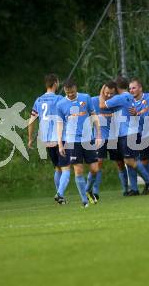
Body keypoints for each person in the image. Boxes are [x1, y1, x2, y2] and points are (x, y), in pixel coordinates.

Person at [99, 76, 149, 196]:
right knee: (132, 161)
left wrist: (102, 90)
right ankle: (134, 189)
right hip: (132, 131)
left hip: (127, 133)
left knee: (129, 160)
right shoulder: (129, 96)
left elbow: (102, 105)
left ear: (117, 88)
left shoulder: (120, 97)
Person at [56, 79, 101, 207]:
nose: (70, 94)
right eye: (67, 92)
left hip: (88, 139)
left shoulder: (86, 98)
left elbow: (94, 115)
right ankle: (84, 201)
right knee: (78, 170)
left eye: (72, 92)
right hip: (72, 141)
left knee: (95, 169)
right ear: (65, 90)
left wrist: (98, 134)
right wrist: (60, 143)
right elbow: (60, 124)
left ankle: (87, 189)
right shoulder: (61, 104)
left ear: (76, 88)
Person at [28, 74, 65, 199]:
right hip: (59, 138)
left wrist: (30, 138)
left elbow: (31, 121)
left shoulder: (38, 100)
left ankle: (59, 194)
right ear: (55, 83)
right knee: (64, 168)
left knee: (57, 168)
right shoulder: (60, 99)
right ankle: (59, 194)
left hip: (46, 139)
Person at [86, 81, 126, 198]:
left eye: (111, 94)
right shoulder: (93, 101)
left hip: (114, 138)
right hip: (99, 139)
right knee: (98, 163)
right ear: (103, 91)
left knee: (120, 163)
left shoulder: (116, 102)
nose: (109, 95)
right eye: (107, 93)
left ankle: (126, 189)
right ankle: (94, 191)